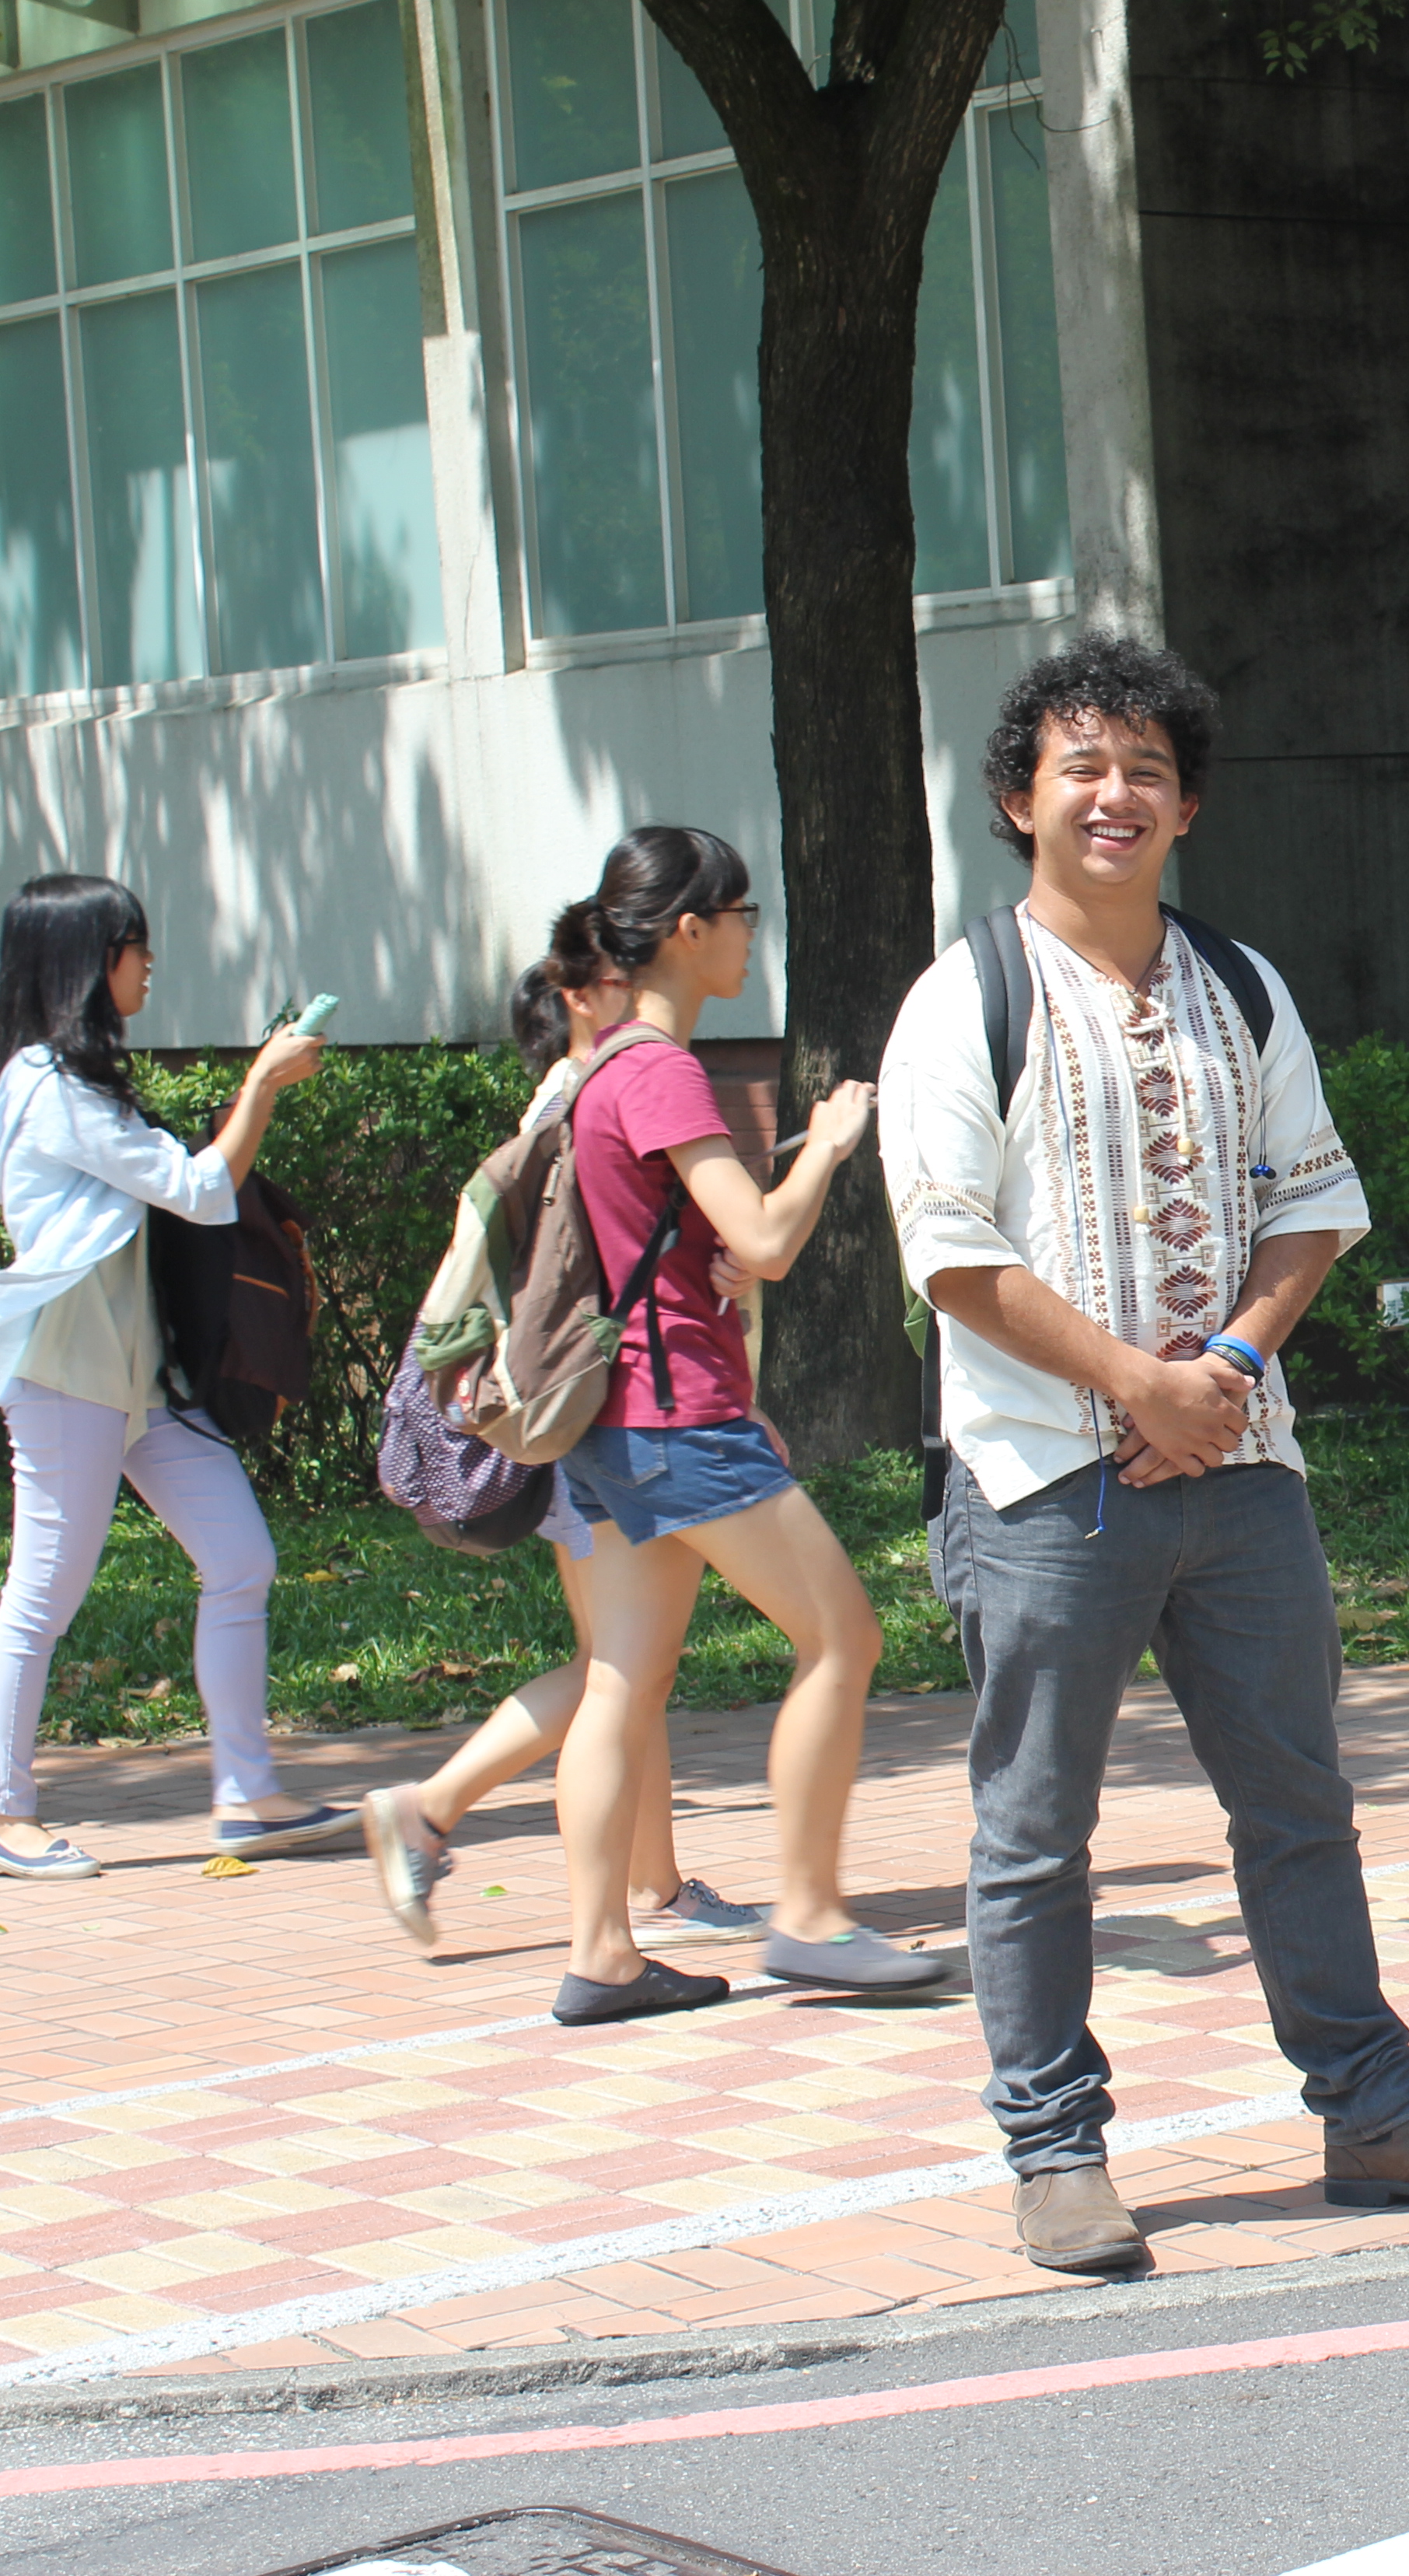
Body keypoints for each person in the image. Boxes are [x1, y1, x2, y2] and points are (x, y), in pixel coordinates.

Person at [883, 631, 1409, 2277]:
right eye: (1081, 768)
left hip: (1244, 1476)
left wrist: (1232, 1367)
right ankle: (1057, 2152)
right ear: (1018, 799)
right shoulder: (963, 998)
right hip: (1046, 1481)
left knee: (1297, 1806)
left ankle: (1377, 2115)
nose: (1114, 796)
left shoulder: (1241, 987)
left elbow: (1314, 1205)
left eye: (1146, 772)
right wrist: (1133, 1381)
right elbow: (949, 1252)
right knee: (1035, 1834)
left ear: (1187, 806)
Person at [510, 827, 939, 2023]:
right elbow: (764, 1241)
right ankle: (810, 1917)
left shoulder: (599, 1069)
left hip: (612, 1422)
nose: (754, 933)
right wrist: (833, 1148)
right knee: (843, 1640)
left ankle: (601, 1955)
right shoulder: (657, 1070)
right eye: (741, 913)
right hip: (675, 1412)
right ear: (688, 931)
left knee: (620, 1681)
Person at [358, 957, 766, 1954]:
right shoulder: (596, 1098)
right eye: (622, 975)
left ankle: (657, 1889)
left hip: (575, 1420)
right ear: (582, 1000)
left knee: (630, 1663)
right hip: (610, 1418)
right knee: (623, 1668)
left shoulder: (572, 1096)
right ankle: (434, 1810)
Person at [0, 875, 344, 1879]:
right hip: (72, 1374)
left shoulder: (71, 1079)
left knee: (240, 1557)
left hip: (137, 1376)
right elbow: (205, 1190)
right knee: (44, 1593)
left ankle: (248, 1793)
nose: (149, 961)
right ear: (89, 962)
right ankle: (0, 1811)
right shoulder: (49, 1087)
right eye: (136, 944)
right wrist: (263, 1084)